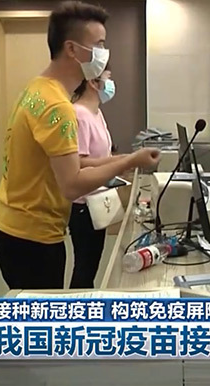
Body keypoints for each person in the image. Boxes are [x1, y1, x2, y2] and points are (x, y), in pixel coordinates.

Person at [0, 1, 160, 290]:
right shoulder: (58, 106)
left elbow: (71, 164)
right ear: (71, 49)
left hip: (12, 226)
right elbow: (72, 184)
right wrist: (130, 162)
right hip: (32, 236)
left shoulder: (36, 88)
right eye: (99, 44)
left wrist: (123, 159)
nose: (104, 54)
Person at [68, 68, 117, 288]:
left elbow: (102, 155)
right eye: (107, 78)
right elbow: (78, 163)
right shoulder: (79, 114)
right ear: (93, 82)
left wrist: (113, 165)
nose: (111, 83)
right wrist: (117, 164)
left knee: (91, 265)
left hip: (99, 200)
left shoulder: (96, 113)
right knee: (84, 268)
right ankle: (77, 305)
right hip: (83, 206)